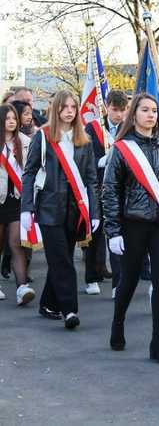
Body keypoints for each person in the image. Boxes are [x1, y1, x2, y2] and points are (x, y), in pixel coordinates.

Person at [103, 93, 159, 363]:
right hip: (133, 224)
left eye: (154, 110)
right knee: (128, 281)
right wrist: (113, 230)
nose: (151, 115)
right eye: (145, 110)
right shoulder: (122, 149)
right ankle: (118, 324)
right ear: (135, 115)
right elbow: (110, 191)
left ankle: (158, 342)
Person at [21, 90, 99, 329]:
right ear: (55, 109)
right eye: (64, 107)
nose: (69, 111)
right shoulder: (43, 137)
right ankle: (69, 311)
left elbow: (91, 178)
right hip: (48, 208)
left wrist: (94, 211)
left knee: (60, 258)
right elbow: (30, 172)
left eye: (73, 107)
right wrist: (26, 208)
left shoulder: (84, 140)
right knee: (63, 261)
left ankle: (48, 303)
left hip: (75, 210)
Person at [83, 89, 128, 297]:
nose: (118, 114)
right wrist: (99, 161)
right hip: (97, 186)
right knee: (94, 233)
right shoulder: (93, 128)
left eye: (122, 110)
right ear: (106, 107)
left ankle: (118, 283)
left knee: (117, 234)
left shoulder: (129, 128)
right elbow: (84, 155)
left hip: (119, 189)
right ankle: (92, 277)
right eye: (114, 109)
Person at [0, 104, 35, 304]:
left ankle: (22, 287)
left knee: (16, 244)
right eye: (7, 118)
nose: (12, 121)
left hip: (16, 200)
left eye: (14, 118)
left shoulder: (26, 142)